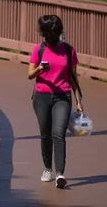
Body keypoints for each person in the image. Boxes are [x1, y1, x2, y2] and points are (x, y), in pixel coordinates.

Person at [27, 14, 84, 189]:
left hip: (62, 97)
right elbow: (30, 75)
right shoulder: (39, 49)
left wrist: (79, 101)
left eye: (50, 33)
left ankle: (60, 173)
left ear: (57, 32)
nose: (47, 37)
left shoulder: (69, 50)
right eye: (45, 34)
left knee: (58, 133)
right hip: (41, 97)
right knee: (45, 134)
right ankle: (47, 169)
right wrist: (39, 69)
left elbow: (73, 78)